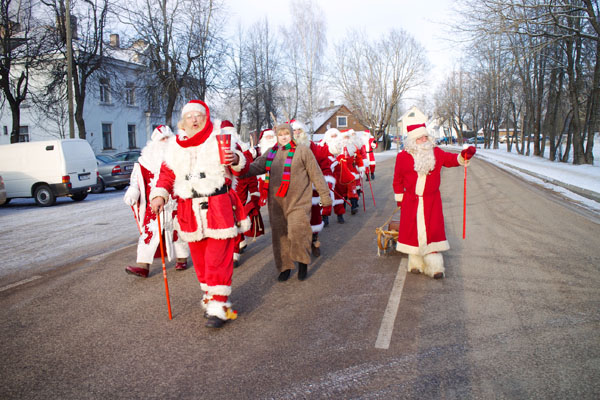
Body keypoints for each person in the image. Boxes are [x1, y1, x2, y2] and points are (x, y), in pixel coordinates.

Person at [149, 100, 250, 328]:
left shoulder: (220, 137)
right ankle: (210, 296)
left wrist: (235, 160)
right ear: (183, 122)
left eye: (199, 115)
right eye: (189, 116)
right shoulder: (174, 145)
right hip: (189, 210)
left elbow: (242, 165)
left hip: (218, 205)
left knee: (217, 258)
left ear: (206, 117)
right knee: (201, 261)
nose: (194, 119)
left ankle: (220, 307)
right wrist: (159, 195)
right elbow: (166, 175)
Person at [242, 123, 333, 281]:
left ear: (291, 134)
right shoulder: (271, 152)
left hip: (299, 202)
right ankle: (285, 266)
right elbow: (254, 168)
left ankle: (302, 262)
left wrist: (325, 196)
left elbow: (316, 174)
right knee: (280, 236)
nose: (284, 137)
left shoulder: (303, 151)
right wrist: (237, 165)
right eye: (280, 134)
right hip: (276, 204)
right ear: (277, 136)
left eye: (286, 134)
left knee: (298, 232)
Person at [393, 123, 476, 279]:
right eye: (420, 138)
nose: (424, 140)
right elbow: (397, 179)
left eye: (426, 136)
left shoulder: (436, 152)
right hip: (411, 201)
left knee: (433, 230)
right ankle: (416, 263)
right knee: (413, 232)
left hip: (432, 201)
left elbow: (451, 160)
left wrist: (463, 156)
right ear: (412, 140)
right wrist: (400, 198)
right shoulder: (402, 157)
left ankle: (435, 267)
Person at [123, 125, 189, 278]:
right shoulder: (144, 162)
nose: (165, 142)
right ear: (154, 142)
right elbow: (136, 180)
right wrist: (133, 191)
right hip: (152, 205)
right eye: (162, 139)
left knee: (178, 232)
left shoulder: (176, 159)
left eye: (168, 138)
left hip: (174, 203)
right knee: (148, 234)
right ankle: (143, 266)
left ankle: (182, 258)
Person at [290, 119, 334, 255]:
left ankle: (314, 240)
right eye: (294, 130)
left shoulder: (313, 147)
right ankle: (299, 243)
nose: (297, 133)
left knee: (314, 215)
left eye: (299, 130)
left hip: (311, 189)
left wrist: (324, 181)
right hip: (294, 190)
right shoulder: (287, 149)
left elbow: (325, 164)